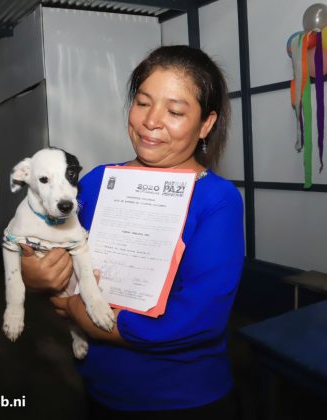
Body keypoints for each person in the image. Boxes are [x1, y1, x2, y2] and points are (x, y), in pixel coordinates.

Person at [21, 45, 245, 419]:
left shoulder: (217, 200)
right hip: (101, 387)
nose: (151, 121)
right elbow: (51, 256)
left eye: (175, 111)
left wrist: (86, 315)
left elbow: (199, 321)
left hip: (185, 399)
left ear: (206, 124)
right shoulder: (96, 183)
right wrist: (33, 275)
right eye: (143, 103)